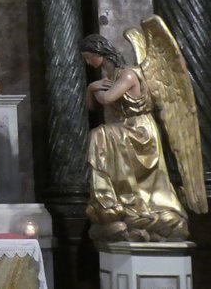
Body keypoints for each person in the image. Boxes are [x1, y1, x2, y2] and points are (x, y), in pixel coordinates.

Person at [79, 31, 203, 242]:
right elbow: (91, 106)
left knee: (100, 135)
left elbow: (107, 98)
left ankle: (125, 203)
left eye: (89, 57)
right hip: (125, 129)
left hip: (140, 131)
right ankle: (115, 201)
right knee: (100, 135)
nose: (88, 63)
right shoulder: (111, 77)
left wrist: (93, 87)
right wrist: (92, 90)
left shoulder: (128, 75)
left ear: (99, 53)